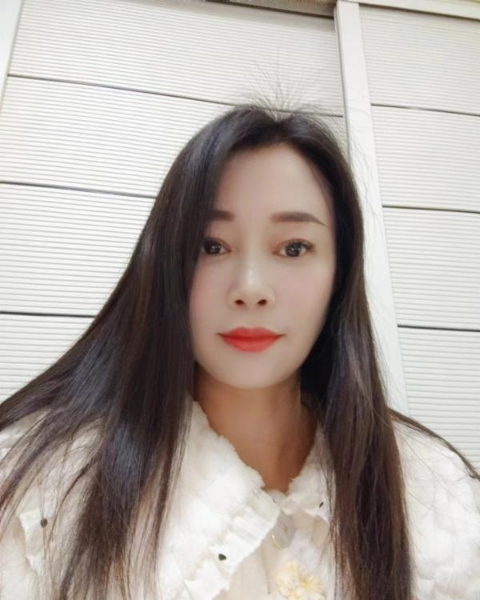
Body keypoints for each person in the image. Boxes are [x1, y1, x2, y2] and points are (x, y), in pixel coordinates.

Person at [0, 103, 479, 600]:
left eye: (294, 248)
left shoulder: (434, 491)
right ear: (166, 264)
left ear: (340, 274)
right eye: (212, 246)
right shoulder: (40, 488)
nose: (250, 288)